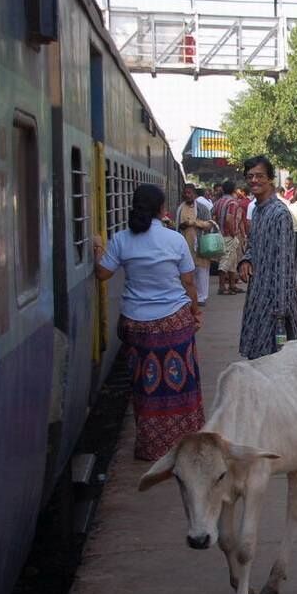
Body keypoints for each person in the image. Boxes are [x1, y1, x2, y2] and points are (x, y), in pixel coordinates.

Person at [93, 184, 204, 462]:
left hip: (137, 325)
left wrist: (97, 249)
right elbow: (188, 282)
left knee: (145, 386)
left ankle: (151, 446)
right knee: (183, 385)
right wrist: (194, 313)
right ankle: (185, 445)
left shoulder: (121, 240)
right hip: (174, 323)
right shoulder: (174, 239)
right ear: (161, 209)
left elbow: (103, 274)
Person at [237, 156, 297, 359]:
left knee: (276, 362)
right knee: (258, 360)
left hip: (275, 303)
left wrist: (281, 309)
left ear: (271, 179)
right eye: (250, 176)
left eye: (260, 176)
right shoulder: (258, 211)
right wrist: (246, 259)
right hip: (257, 295)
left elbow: (285, 264)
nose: (254, 180)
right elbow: (253, 244)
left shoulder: (280, 214)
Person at [177, 182, 214, 306]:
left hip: (200, 243)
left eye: (189, 193)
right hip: (185, 244)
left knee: (202, 270)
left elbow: (209, 224)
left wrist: (194, 223)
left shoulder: (202, 207)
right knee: (188, 271)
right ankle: (190, 296)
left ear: (194, 194)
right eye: (185, 193)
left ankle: (202, 297)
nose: (187, 195)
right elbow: (178, 225)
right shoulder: (180, 208)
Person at [213, 180, 245, 296]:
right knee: (225, 261)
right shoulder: (232, 202)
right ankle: (222, 287)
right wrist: (233, 232)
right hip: (229, 235)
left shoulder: (218, 202)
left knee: (232, 260)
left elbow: (214, 217)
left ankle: (232, 285)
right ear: (233, 190)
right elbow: (229, 218)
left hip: (220, 234)